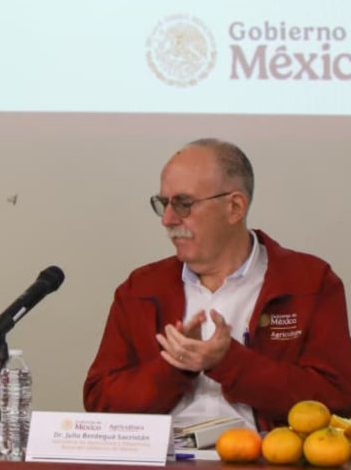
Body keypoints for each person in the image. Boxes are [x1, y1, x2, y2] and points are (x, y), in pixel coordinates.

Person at [84, 139, 351, 430]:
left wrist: (229, 362)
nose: (168, 219)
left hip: (262, 452)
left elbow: (337, 398)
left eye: (183, 204)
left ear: (235, 207)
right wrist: (175, 365)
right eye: (163, 204)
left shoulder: (309, 281)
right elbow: (100, 400)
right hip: (166, 452)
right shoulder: (141, 288)